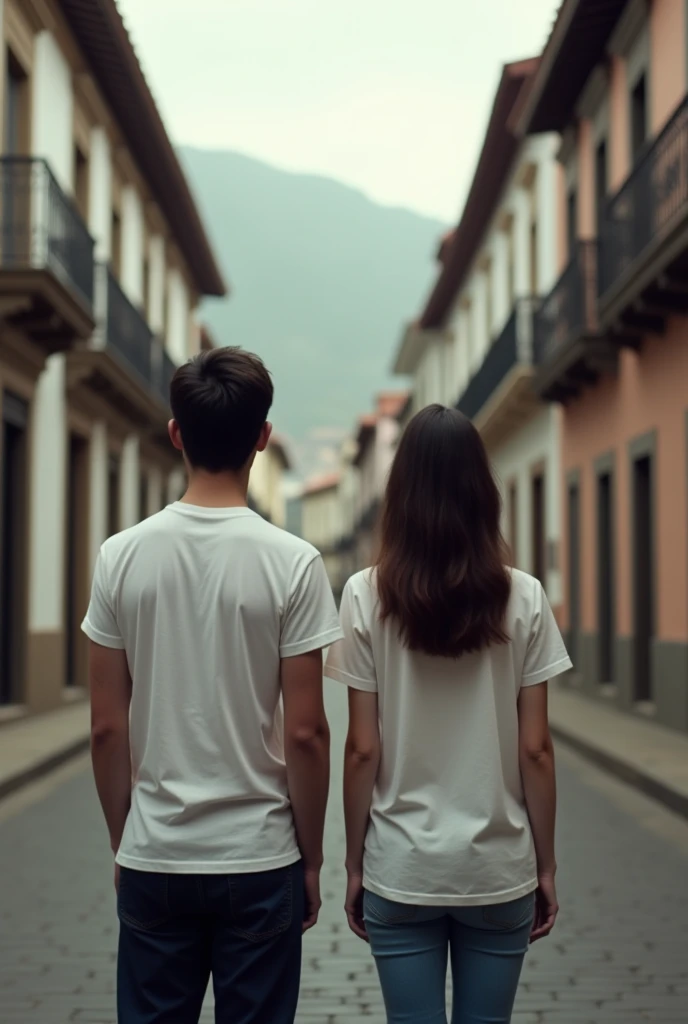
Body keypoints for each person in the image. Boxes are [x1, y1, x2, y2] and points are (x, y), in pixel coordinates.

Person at [83, 347, 342, 1024]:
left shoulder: (120, 557)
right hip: (259, 858)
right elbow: (309, 732)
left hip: (156, 855)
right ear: (262, 437)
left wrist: (126, 841)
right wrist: (310, 859)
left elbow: (107, 726)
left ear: (176, 433)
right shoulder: (294, 563)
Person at [325, 404, 572, 1024]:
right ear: (481, 491)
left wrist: (356, 864)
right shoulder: (525, 595)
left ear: (400, 493)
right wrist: (544, 865)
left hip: (401, 866)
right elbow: (536, 749)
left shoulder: (363, 594)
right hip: (497, 867)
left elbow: (361, 749)